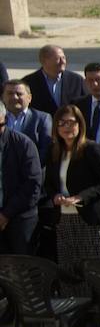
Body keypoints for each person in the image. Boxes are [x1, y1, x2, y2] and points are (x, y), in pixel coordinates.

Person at [43, 105, 100, 295]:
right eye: (61, 123)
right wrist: (55, 196)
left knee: (96, 267)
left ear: (80, 124)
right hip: (65, 219)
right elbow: (48, 183)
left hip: (91, 218)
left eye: (71, 122)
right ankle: (77, 309)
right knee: (70, 267)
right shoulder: (54, 150)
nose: (66, 127)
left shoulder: (91, 149)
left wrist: (81, 197)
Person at [0, 107, 42, 254]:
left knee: (22, 269)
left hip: (21, 219)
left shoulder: (23, 144)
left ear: (5, 120)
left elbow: (33, 185)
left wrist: (6, 214)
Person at [23, 44, 86, 114]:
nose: (63, 62)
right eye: (58, 59)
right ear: (44, 61)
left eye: (64, 58)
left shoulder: (76, 80)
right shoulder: (28, 82)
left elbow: (85, 104)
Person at [4, 80, 53, 165]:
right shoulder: (1, 118)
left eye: (19, 94)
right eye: (10, 93)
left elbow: (46, 150)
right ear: (3, 97)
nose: (14, 97)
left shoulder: (42, 119)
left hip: (31, 173)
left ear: (29, 98)